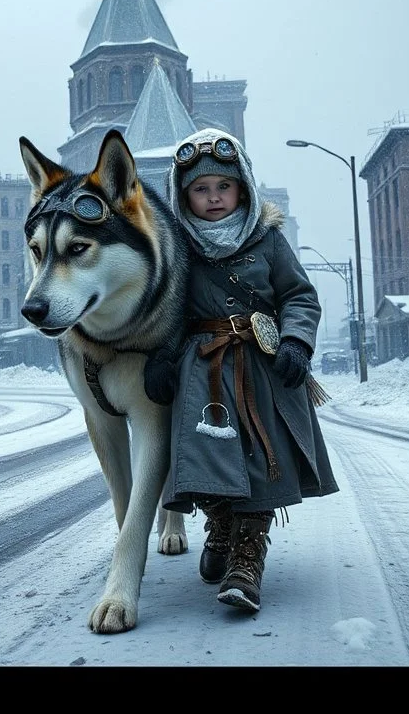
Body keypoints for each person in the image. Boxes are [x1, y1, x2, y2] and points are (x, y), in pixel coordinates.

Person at [143, 126, 340, 613]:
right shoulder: (177, 249)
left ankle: (246, 560)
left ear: (243, 188)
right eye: (201, 190)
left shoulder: (268, 240)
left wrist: (296, 340)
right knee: (208, 457)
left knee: (260, 458)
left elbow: (299, 295)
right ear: (183, 196)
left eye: (223, 187)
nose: (213, 198)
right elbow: (167, 310)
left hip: (262, 368)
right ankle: (223, 526)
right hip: (202, 370)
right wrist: (162, 357)